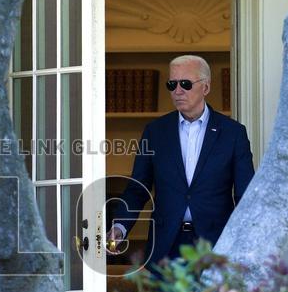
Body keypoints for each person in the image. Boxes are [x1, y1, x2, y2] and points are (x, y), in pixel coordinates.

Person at [106, 55, 254, 266]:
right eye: (172, 84)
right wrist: (120, 226)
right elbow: (138, 188)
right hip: (166, 245)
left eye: (185, 84)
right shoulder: (155, 131)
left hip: (215, 244)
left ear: (205, 87)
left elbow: (245, 194)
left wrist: (247, 242)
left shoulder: (233, 133)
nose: (177, 91)